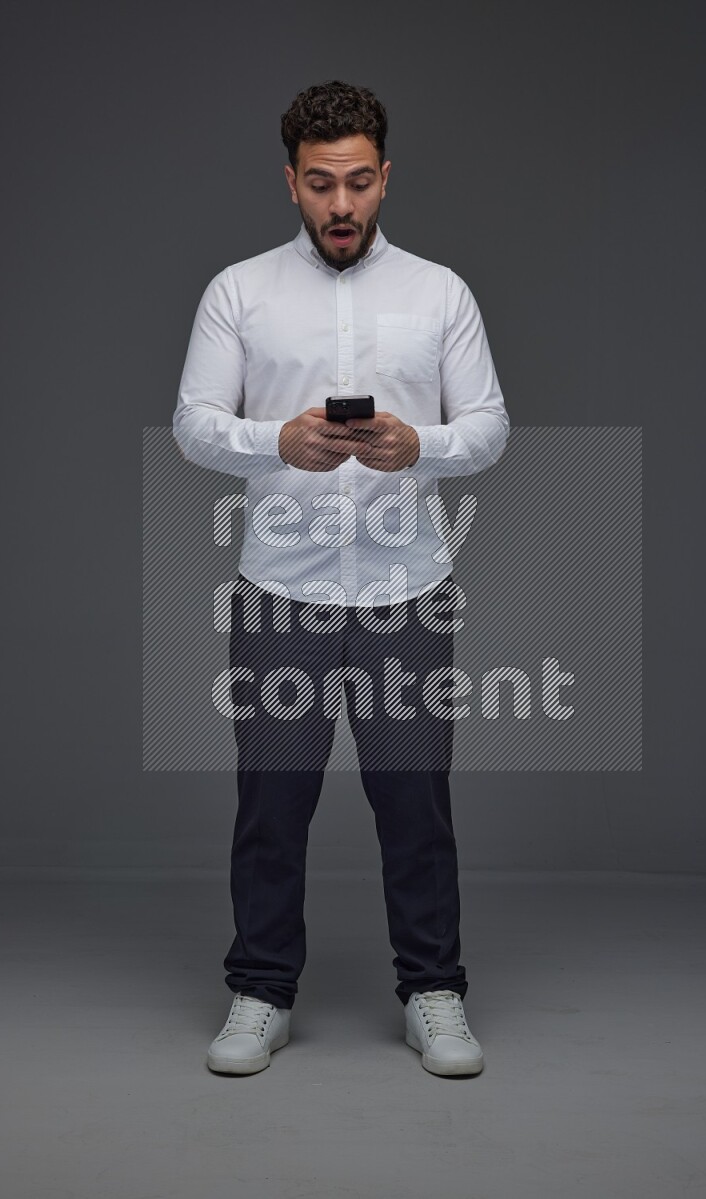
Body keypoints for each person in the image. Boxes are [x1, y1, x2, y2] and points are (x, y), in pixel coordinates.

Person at [173, 79, 510, 1078]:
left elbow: (488, 426)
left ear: (384, 176)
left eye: (358, 182)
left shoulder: (439, 293)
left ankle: (433, 988)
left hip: (408, 588)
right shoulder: (238, 291)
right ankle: (259, 988)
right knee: (271, 801)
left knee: (414, 799)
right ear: (290, 182)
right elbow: (194, 421)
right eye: (320, 184)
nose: (341, 205)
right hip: (281, 587)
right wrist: (271, 437)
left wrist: (420, 444)